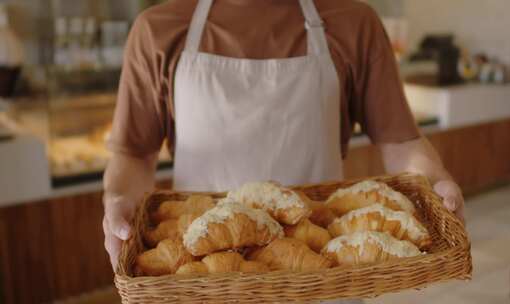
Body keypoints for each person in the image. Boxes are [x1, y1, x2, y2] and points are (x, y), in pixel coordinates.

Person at [103, 0, 464, 285]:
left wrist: (435, 185)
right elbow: (133, 152)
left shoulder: (354, 23)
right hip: (201, 282)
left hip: (322, 278)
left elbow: (400, 143)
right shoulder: (159, 30)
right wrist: (118, 200)